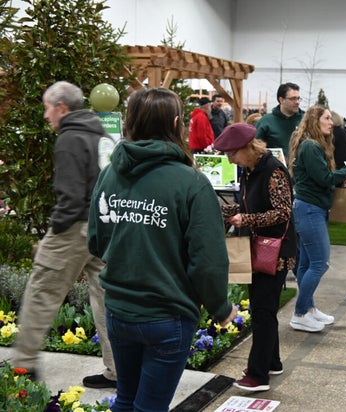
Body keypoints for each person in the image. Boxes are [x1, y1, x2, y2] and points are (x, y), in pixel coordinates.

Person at [87, 88, 237, 411]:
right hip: (167, 318)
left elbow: (96, 241)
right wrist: (221, 308)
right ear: (175, 122)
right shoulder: (192, 183)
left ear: (129, 122)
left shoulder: (110, 174)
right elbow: (208, 262)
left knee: (126, 399)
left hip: (119, 312)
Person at [11, 81, 117, 389]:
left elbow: (69, 196)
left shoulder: (70, 138)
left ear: (61, 108)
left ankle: (23, 366)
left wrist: (53, 233)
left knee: (42, 292)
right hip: (104, 227)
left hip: (73, 230)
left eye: (47, 108)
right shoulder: (101, 134)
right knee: (106, 298)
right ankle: (117, 370)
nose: (45, 115)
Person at [214, 123, 296, 393]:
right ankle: (271, 362)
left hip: (275, 252)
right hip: (259, 247)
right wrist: (231, 211)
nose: (229, 159)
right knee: (264, 308)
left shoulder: (273, 170)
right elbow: (252, 204)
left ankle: (258, 375)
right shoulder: (249, 170)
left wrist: (245, 218)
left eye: (231, 153)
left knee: (262, 311)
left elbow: (282, 212)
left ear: (247, 148)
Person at [288, 105, 346, 332]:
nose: (331, 122)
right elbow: (324, 178)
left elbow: (319, 178)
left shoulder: (309, 144)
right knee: (319, 263)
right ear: (315, 120)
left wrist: (341, 177)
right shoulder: (311, 147)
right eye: (326, 118)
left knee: (305, 263)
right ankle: (300, 313)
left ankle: (309, 308)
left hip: (310, 208)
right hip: (310, 210)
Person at [255, 82, 305, 157]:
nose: (297, 102)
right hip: (275, 167)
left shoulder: (305, 120)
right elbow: (255, 148)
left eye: (298, 98)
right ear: (281, 100)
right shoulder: (266, 122)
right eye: (293, 99)